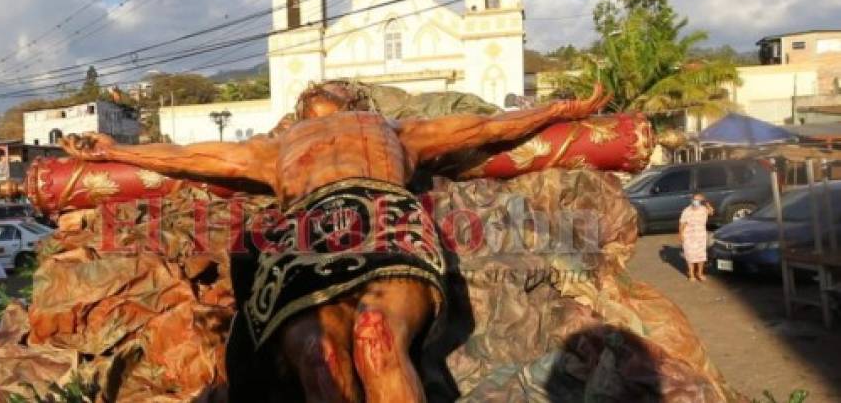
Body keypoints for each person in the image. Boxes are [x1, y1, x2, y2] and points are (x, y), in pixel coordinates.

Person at [64, 81, 607, 401]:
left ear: (355, 97)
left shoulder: (391, 129)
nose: (317, 89)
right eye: (309, 90)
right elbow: (189, 158)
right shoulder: (273, 147)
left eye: (333, 85)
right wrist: (118, 151)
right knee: (316, 356)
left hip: (382, 219)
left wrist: (558, 111)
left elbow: (486, 128)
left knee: (375, 338)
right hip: (304, 237)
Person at [680, 192, 715, 282]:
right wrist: (681, 235)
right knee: (690, 256)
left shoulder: (703, 209)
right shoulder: (686, 211)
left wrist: (706, 202)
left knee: (701, 256)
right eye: (695, 199)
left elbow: (711, 212)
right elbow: (682, 224)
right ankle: (691, 274)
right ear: (692, 200)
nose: (696, 201)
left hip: (701, 236)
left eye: (698, 200)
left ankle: (700, 273)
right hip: (689, 236)